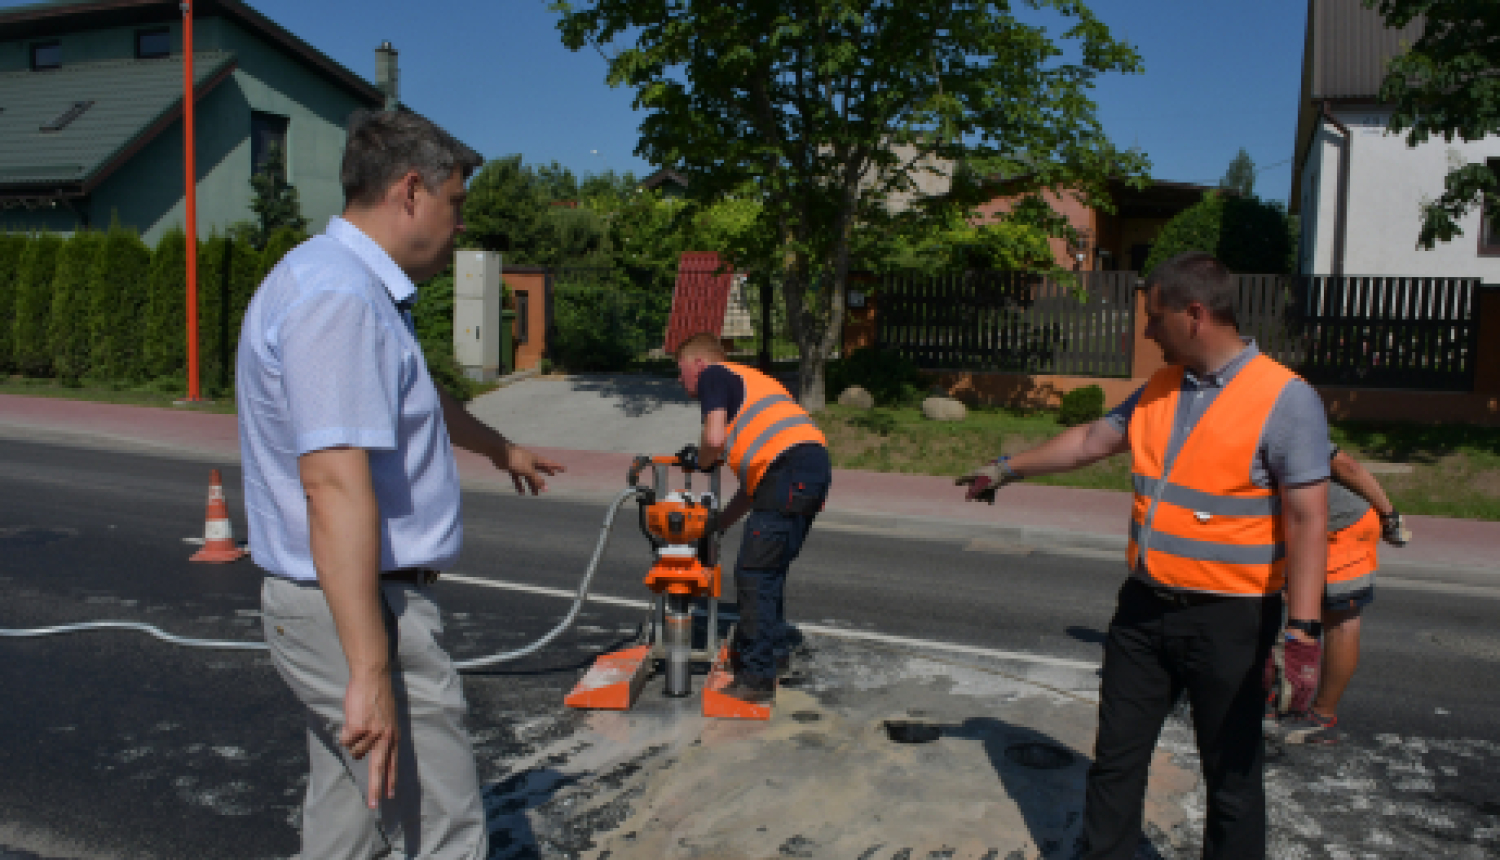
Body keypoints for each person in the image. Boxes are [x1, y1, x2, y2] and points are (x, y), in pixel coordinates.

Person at [236, 109, 562, 860]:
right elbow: (333, 486)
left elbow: (417, 396)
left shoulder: (352, 288)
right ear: (411, 191)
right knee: (443, 831)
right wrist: (370, 669)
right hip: (358, 609)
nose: (460, 226)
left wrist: (499, 448)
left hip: (344, 604)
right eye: (456, 203)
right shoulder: (339, 299)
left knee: (351, 822)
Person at [958, 252, 1330, 860]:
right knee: (1117, 759)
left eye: (1155, 318)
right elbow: (1089, 440)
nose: (1148, 331)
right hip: (1144, 610)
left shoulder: (1285, 399)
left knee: (1231, 776)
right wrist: (1006, 468)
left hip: (1231, 618)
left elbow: (1309, 517)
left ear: (1195, 315)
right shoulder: (1159, 388)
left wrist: (1304, 633)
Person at [674, 332, 831, 704]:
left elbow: (713, 440)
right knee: (769, 571)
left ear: (699, 363)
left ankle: (756, 677)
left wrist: (700, 461)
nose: (680, 380)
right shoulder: (756, 386)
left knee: (754, 574)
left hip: (788, 471)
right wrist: (717, 525)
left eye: (681, 370)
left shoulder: (715, 375)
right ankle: (775, 655)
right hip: (806, 471)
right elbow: (752, 491)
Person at [1271, 447, 1410, 744]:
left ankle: (1322, 716)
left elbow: (1347, 466)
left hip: (1343, 528)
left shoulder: (1288, 422)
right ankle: (1280, 698)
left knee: (1340, 620)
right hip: (1300, 526)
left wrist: (1389, 515)